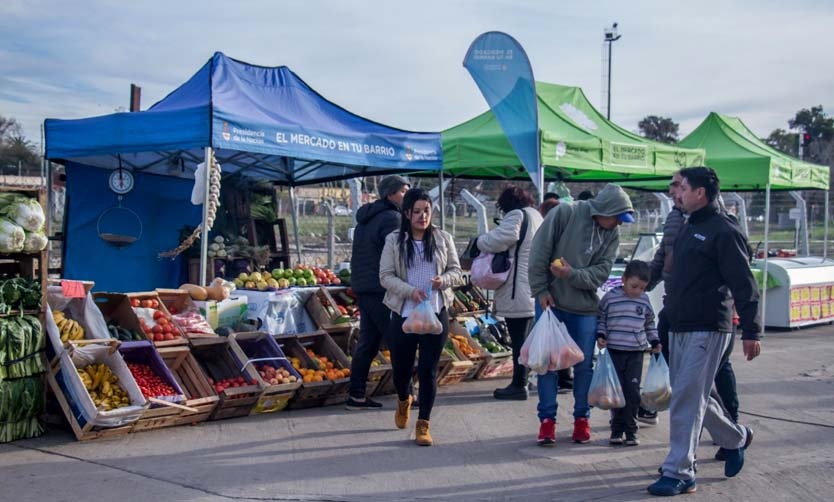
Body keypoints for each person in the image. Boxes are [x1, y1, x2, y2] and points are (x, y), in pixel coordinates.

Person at [647, 167, 760, 497]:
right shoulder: (685, 226)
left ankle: (680, 471)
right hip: (679, 323)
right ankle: (736, 438)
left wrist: (753, 330)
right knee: (694, 396)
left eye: (681, 187)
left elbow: (744, 283)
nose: (675, 192)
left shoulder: (724, 230)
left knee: (685, 398)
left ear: (700, 193)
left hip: (708, 326)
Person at [528, 183, 634, 445]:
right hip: (551, 303)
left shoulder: (612, 235)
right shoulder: (565, 214)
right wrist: (541, 289)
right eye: (617, 218)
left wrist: (571, 274)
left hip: (585, 309)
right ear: (603, 209)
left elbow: (600, 273)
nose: (618, 224)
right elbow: (539, 251)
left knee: (584, 366)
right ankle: (547, 421)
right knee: (547, 364)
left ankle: (581, 419)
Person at [379, 188, 464, 446]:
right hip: (404, 314)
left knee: (428, 370)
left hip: (435, 314)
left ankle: (423, 424)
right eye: (416, 211)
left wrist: (443, 280)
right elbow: (385, 276)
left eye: (426, 211)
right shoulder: (395, 241)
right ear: (407, 213)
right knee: (402, 370)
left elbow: (457, 271)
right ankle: (404, 398)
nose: (422, 216)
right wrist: (409, 291)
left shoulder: (442, 238)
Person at [345, 175, 409, 410]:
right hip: (382, 288)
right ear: (390, 194)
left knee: (368, 342)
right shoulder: (391, 218)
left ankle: (357, 395)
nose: (406, 195)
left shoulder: (367, 217)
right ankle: (407, 393)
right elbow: (398, 254)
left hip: (365, 286)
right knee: (398, 341)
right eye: (403, 191)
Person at [476, 186, 543, 400]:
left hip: (517, 289)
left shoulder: (517, 215)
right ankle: (523, 380)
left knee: (518, 341)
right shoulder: (536, 215)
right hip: (531, 286)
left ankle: (518, 384)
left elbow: (499, 240)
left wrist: (480, 240)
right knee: (525, 338)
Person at [596, 260, 661, 447]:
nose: (637, 291)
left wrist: (654, 340)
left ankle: (631, 430)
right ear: (623, 280)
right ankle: (616, 429)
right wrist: (601, 335)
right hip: (615, 351)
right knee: (616, 392)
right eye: (634, 286)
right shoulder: (610, 298)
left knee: (632, 392)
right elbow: (602, 319)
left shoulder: (644, 300)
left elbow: (649, 323)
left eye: (642, 288)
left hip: (636, 352)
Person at [638, 171, 685, 425]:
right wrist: (643, 285)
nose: (672, 191)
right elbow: (662, 257)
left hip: (703, 312)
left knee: (714, 373)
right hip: (673, 302)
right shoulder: (674, 217)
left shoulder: (716, 222)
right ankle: (651, 405)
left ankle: (728, 422)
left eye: (678, 185)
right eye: (672, 186)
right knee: (659, 349)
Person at [537, 194, 572, 393]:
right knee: (560, 337)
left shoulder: (550, 236)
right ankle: (564, 376)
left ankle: (560, 377)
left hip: (553, 295)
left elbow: (539, 264)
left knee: (553, 340)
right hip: (556, 294)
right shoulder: (564, 234)